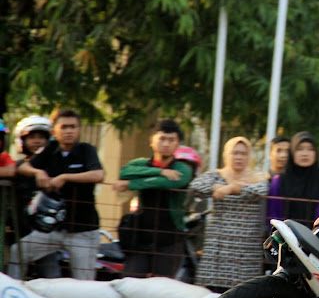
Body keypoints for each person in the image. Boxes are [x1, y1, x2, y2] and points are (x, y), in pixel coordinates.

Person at [10, 109, 105, 280]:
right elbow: (22, 167)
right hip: (53, 229)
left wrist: (65, 177)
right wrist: (38, 172)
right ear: (54, 131)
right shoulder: (50, 150)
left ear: (79, 130)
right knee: (17, 252)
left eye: (73, 127)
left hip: (83, 230)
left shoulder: (86, 150)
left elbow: (99, 175)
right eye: (64, 127)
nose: (69, 131)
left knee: (84, 282)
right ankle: (13, 292)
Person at [112, 119, 192, 278]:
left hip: (169, 240)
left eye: (171, 140)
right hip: (140, 239)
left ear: (178, 144)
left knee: (161, 287)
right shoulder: (140, 163)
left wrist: (132, 184)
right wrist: (159, 172)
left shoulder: (183, 168)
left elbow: (168, 183)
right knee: (130, 282)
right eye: (162, 139)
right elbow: (124, 172)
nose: (166, 144)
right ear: (152, 140)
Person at [190, 136, 269, 292]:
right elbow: (196, 186)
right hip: (218, 244)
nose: (239, 157)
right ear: (226, 155)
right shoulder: (217, 175)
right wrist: (216, 187)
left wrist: (230, 188)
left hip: (246, 246)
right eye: (234, 153)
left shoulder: (258, 177)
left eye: (243, 153)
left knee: (243, 293)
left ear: (249, 156)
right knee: (212, 294)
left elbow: (261, 190)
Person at [11, 115, 62, 277]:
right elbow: (19, 167)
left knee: (50, 273)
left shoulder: (54, 164)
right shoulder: (18, 165)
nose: (37, 141)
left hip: (45, 230)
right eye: (32, 137)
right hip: (18, 229)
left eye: (41, 137)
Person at [267, 131, 319, 229]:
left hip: (318, 235)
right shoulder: (279, 180)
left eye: (310, 149)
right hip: (284, 235)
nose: (305, 154)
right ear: (292, 153)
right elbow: (272, 215)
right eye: (299, 149)